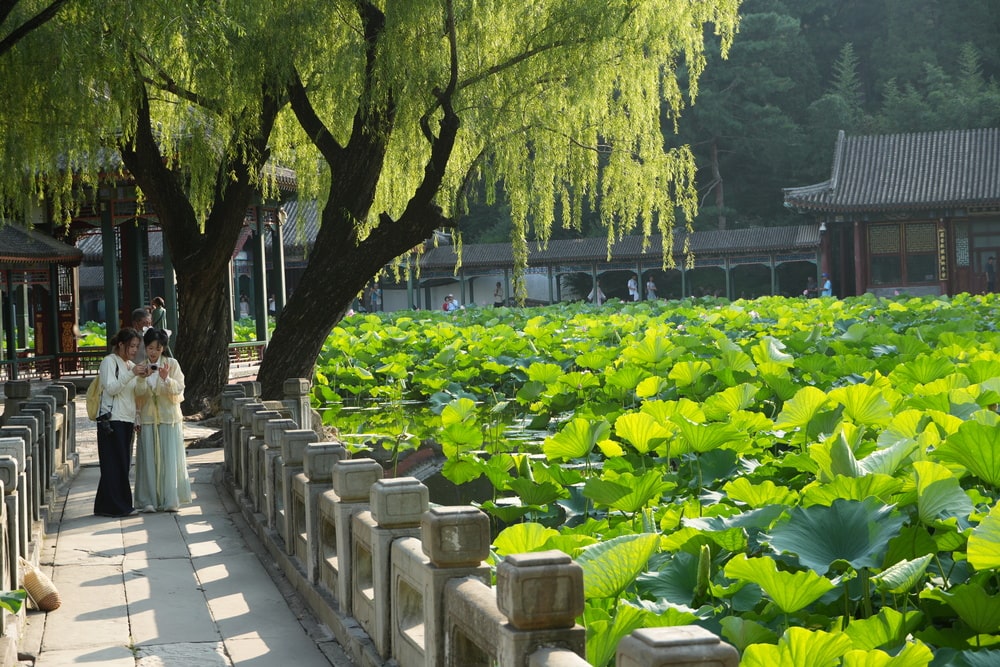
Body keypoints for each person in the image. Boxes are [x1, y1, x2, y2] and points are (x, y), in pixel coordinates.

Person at [133, 328, 191, 513]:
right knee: (148, 459)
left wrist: (166, 380)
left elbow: (179, 389)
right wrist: (142, 379)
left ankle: (170, 499)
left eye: (157, 349)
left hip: (169, 417)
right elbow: (137, 394)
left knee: (169, 458)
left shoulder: (171, 364)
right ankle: (148, 500)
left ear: (163, 348)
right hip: (148, 418)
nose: (153, 352)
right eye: (150, 348)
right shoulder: (140, 366)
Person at [94, 328, 145, 517]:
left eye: (136, 347)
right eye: (131, 346)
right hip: (112, 419)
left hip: (127, 419)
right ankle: (119, 507)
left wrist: (141, 377)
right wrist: (132, 373)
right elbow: (112, 388)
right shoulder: (109, 362)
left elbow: (133, 394)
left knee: (122, 464)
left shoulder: (130, 365)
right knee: (114, 465)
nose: (134, 350)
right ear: (121, 345)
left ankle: (104, 506)